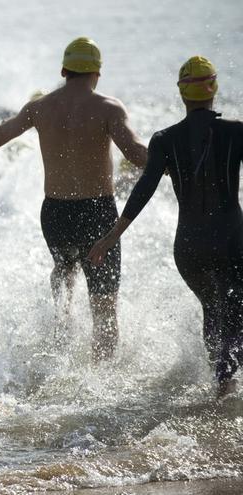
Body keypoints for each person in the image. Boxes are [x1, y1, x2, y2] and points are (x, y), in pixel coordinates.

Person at [0, 37, 148, 361]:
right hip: (96, 212)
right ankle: (101, 377)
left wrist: (17, 121)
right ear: (97, 74)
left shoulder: (39, 107)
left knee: (65, 267)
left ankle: (60, 332)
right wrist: (171, 155)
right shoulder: (109, 108)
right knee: (103, 308)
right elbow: (136, 154)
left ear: (64, 70)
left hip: (55, 213)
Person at [88, 56, 243, 396]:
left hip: (188, 249)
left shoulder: (164, 140)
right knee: (234, 307)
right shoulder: (236, 132)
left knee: (213, 307)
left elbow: (144, 188)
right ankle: (224, 383)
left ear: (181, 94)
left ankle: (219, 375)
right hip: (231, 241)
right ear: (214, 87)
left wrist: (112, 235)